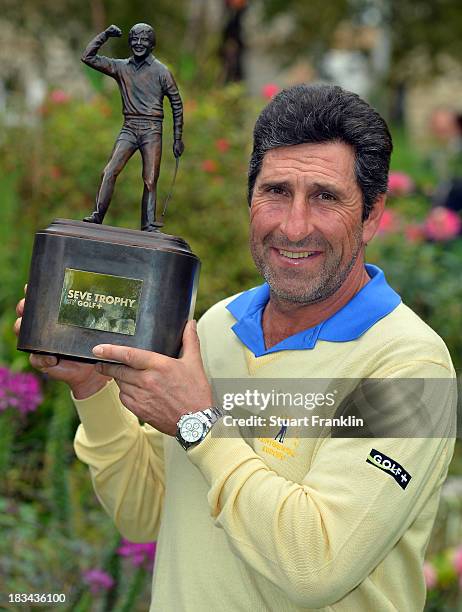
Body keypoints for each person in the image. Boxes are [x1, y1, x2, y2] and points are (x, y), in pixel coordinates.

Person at [16, 84, 456, 611]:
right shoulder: (216, 327)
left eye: (325, 197)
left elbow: (318, 567)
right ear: (250, 197)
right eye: (275, 191)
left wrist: (200, 425)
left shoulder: (412, 366)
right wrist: (92, 388)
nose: (293, 226)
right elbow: (147, 510)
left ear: (371, 215)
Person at [81, 23, 184, 231]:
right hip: (129, 127)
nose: (139, 43)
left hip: (152, 129)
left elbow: (176, 103)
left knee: (149, 179)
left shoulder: (162, 72)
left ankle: (147, 226)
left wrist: (177, 138)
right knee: (109, 171)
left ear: (152, 44)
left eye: (144, 39)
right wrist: (105, 35)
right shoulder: (121, 67)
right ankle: (97, 216)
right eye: (135, 39)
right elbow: (88, 57)